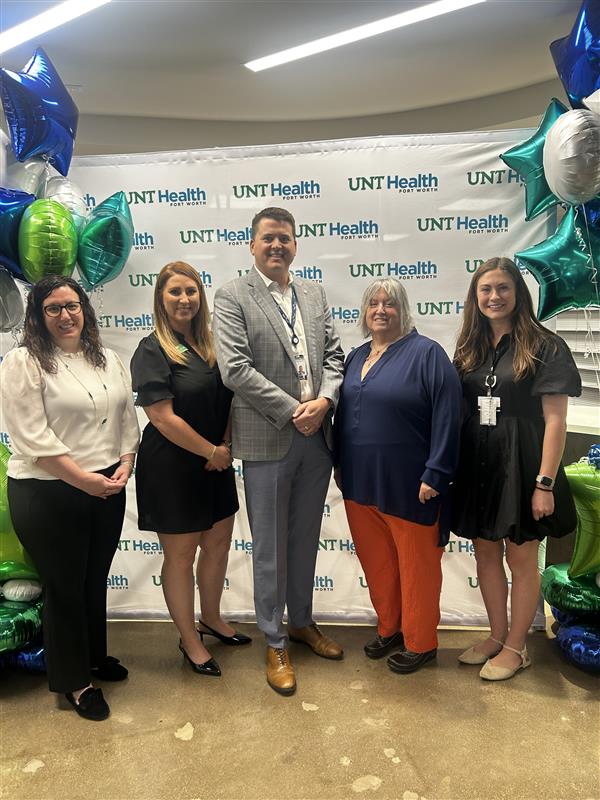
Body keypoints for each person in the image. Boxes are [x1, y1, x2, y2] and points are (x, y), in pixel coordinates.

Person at [212, 207, 345, 696]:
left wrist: (326, 400)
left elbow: (334, 355)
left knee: (305, 540)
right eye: (268, 238)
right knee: (268, 547)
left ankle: (302, 623)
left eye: (285, 238)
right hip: (270, 439)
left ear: (295, 245)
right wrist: (297, 409)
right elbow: (235, 369)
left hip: (317, 440)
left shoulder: (312, 294)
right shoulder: (231, 296)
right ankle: (273, 639)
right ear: (252, 245)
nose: (277, 246)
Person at [1, 275, 139, 721]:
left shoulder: (108, 359)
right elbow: (32, 437)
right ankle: (75, 682)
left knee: (92, 578)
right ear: (38, 317)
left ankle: (94, 658)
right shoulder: (23, 361)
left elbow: (126, 419)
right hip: (47, 491)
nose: (66, 315)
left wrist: (125, 460)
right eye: (54, 308)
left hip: (105, 486)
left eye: (73, 305)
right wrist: (84, 480)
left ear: (85, 309)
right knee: (64, 587)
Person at [453, 257, 581, 681]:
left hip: (524, 465)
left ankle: (516, 647)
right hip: (479, 462)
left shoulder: (544, 345)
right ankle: (496, 635)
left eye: (503, 288)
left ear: (517, 293)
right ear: (476, 297)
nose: (494, 297)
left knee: (521, 557)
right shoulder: (469, 347)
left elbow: (556, 421)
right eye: (485, 289)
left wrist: (544, 483)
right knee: (485, 552)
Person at [335, 278, 462, 675]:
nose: (381, 310)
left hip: (413, 486)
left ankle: (421, 642)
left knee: (417, 567)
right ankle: (390, 628)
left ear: (403, 310)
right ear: (364, 311)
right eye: (373, 303)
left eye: (390, 303)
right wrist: (339, 465)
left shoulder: (427, 354)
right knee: (379, 565)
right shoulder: (355, 356)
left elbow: (449, 415)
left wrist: (437, 472)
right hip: (359, 484)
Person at [131, 262, 242, 679]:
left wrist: (224, 446)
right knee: (180, 557)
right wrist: (211, 450)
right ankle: (189, 638)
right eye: (175, 292)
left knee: (218, 545)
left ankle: (211, 618)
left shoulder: (210, 345)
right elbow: (161, 417)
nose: (184, 299)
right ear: (161, 298)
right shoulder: (151, 349)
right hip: (174, 468)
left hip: (216, 462)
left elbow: (228, 400)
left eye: (191, 291)